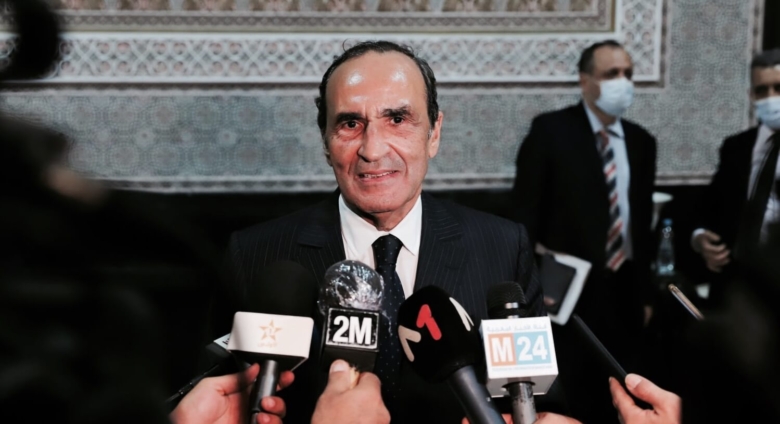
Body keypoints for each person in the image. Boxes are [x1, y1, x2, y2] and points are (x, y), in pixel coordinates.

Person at [216, 40, 544, 424]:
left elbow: (543, 402)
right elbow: (217, 399)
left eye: (398, 119)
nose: (372, 150)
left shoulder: (504, 246)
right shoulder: (254, 255)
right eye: (350, 124)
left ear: (434, 133)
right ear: (325, 142)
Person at [511, 40, 657, 423]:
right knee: (573, 393)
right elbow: (524, 215)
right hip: (566, 293)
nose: (622, 82)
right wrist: (529, 291)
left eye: (628, 73)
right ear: (585, 80)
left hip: (624, 289)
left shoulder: (642, 142)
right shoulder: (551, 131)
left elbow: (641, 223)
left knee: (623, 393)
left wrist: (645, 294)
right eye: (611, 74)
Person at [691, 49, 780, 306]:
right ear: (752, 95)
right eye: (762, 90)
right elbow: (708, 208)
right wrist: (699, 238)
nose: (771, 98)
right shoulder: (736, 147)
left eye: (778, 88)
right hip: (737, 284)